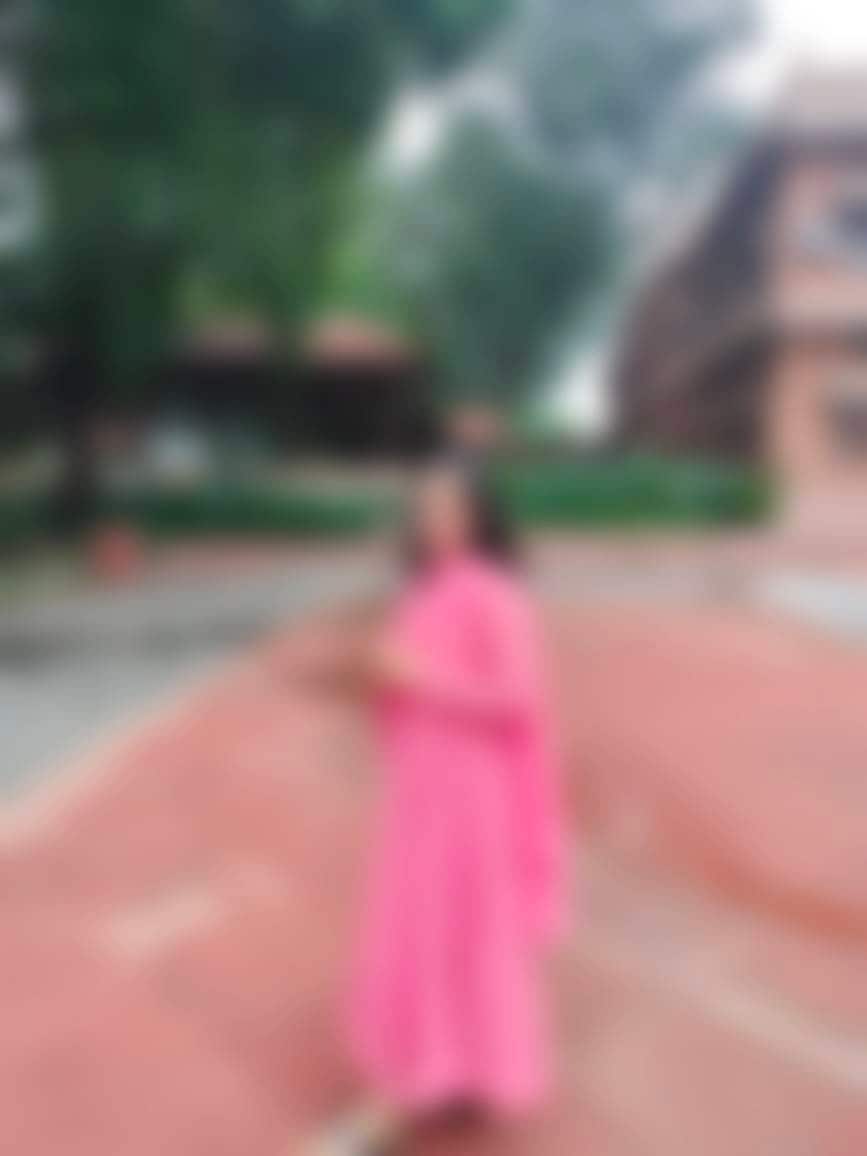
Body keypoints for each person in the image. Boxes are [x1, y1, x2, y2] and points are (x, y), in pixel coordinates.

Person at [312, 462, 567, 1155]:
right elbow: (400, 686)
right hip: (419, 790)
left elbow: (515, 695)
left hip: (473, 798)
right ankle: (445, 1069)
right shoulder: (421, 592)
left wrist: (421, 677)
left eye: (449, 508)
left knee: (449, 931)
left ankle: (400, 1092)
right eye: (425, 509)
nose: (434, 522)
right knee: (422, 927)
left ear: (479, 516)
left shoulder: (498, 595)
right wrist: (382, 680)